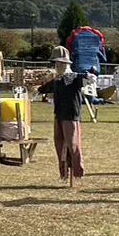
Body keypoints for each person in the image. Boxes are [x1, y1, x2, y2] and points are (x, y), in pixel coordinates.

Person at [38, 46, 94, 183]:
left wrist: (89, 75)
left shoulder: (73, 78)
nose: (56, 66)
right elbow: (43, 89)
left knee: (73, 144)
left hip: (71, 116)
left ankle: (77, 171)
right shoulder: (57, 80)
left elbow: (89, 78)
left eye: (59, 64)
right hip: (59, 114)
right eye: (55, 64)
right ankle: (63, 171)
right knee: (59, 143)